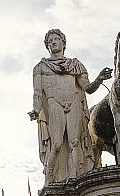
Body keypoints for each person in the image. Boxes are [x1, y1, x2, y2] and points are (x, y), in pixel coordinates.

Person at [29, 29, 111, 184]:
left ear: (63, 43)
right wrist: (35, 109)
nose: (53, 42)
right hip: (54, 103)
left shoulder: (75, 65)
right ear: (47, 46)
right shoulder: (40, 67)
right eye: (50, 41)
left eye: (56, 39)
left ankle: (75, 179)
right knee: (57, 143)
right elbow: (38, 93)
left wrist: (99, 79)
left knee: (75, 141)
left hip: (73, 102)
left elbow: (87, 88)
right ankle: (50, 178)